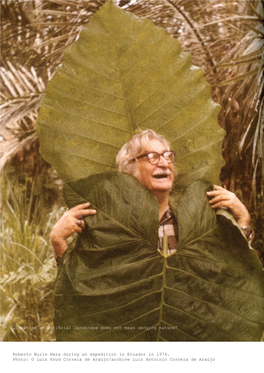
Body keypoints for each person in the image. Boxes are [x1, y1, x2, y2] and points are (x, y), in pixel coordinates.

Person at [50, 129, 253, 262]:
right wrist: (58, 240)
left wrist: (243, 221)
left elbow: (229, 275)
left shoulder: (196, 219)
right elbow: (86, 284)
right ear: (130, 170)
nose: (164, 163)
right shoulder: (110, 224)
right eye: (152, 157)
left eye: (167, 156)